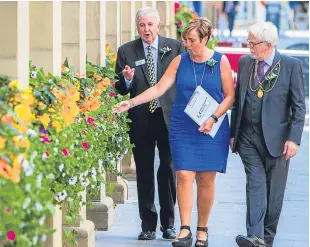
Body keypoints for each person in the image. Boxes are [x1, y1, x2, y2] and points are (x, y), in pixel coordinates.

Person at [113, 17, 234, 247]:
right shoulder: (179, 61)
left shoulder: (221, 61)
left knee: (206, 179)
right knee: (184, 175)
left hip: (211, 126)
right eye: (185, 40)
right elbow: (158, 88)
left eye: (191, 40)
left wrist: (213, 117)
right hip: (183, 125)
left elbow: (229, 96)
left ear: (205, 39)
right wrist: (130, 103)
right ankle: (185, 229)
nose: (187, 44)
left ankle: (202, 230)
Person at [230, 22, 306, 247]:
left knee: (274, 193)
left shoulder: (291, 66)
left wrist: (293, 138)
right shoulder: (245, 63)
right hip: (247, 137)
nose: (249, 46)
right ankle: (255, 235)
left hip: (278, 140)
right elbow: (238, 102)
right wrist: (234, 133)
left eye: (253, 42)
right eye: (248, 41)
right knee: (255, 185)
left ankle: (266, 238)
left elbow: (299, 106)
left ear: (268, 45)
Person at [114, 7, 185, 241]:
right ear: (137, 28)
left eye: (150, 25)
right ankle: (148, 225)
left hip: (168, 118)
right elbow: (120, 89)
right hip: (141, 119)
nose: (147, 29)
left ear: (159, 25)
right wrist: (127, 79)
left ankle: (168, 224)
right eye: (142, 25)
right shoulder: (126, 51)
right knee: (144, 171)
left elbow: (183, 83)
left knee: (168, 170)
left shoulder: (175, 48)